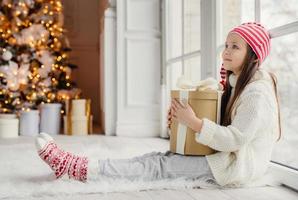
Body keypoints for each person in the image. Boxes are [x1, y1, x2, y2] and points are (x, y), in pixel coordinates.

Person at [35, 22, 280, 187]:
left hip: (235, 168)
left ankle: (78, 169)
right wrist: (180, 123)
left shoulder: (256, 93)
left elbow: (234, 140)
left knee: (158, 166)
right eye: (226, 45)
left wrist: (193, 122)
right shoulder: (237, 84)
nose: (225, 51)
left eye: (235, 47)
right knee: (158, 156)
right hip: (225, 157)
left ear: (253, 55)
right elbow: (218, 127)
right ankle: (84, 166)